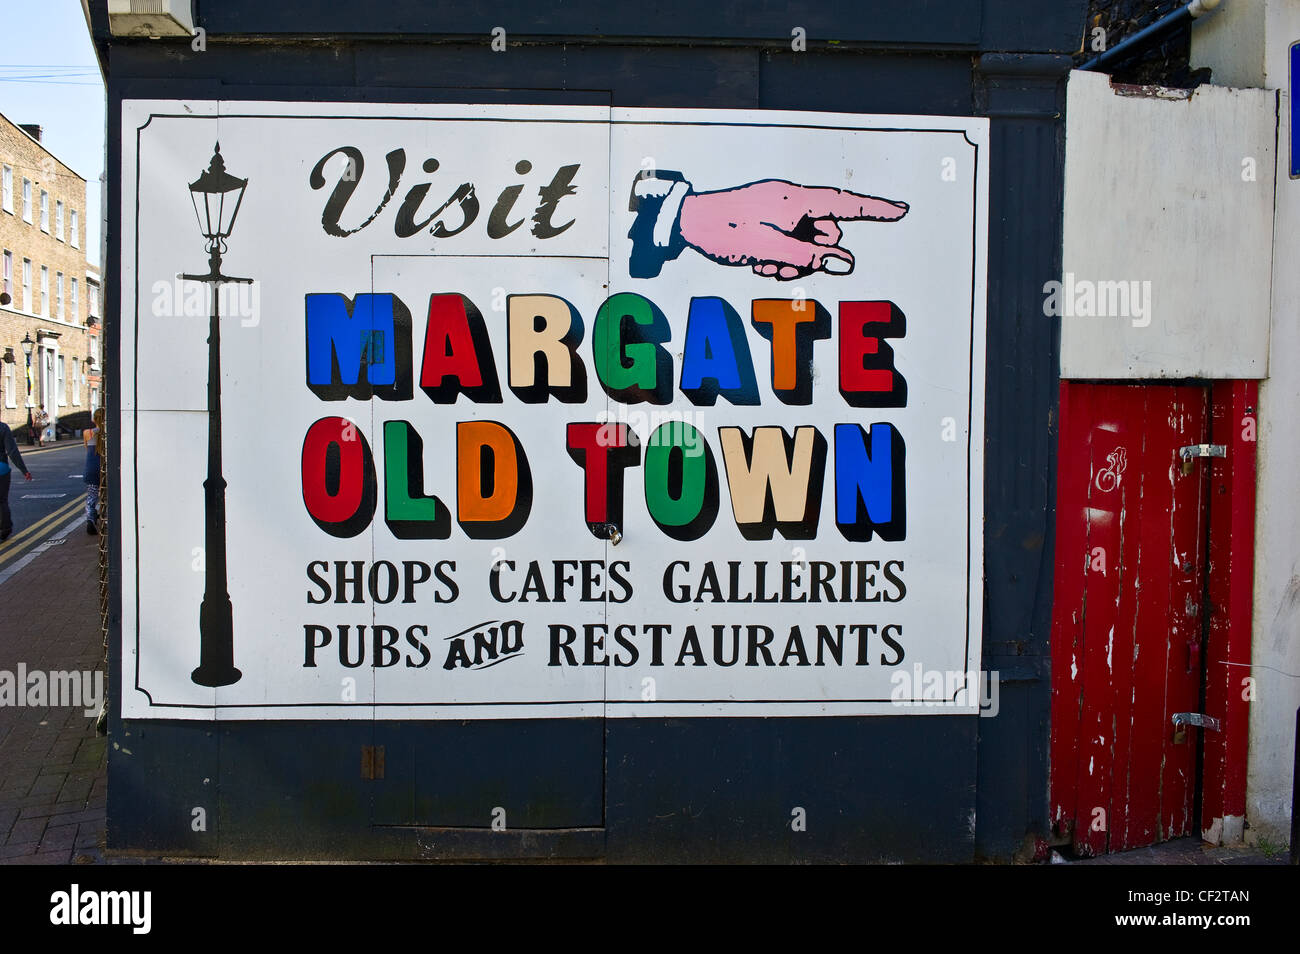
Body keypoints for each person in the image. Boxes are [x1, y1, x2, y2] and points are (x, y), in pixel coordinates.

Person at [0, 419, 35, 542]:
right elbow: (12, 452)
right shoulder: (3, 428)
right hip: (1, 469)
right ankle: (5, 529)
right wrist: (24, 470)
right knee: (2, 501)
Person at [83, 408, 104, 535]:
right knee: (107, 495)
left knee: (92, 496)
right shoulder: (107, 433)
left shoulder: (88, 433)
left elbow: (87, 448)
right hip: (104, 467)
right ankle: (106, 517)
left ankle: (90, 518)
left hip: (91, 467)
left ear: (94, 419)